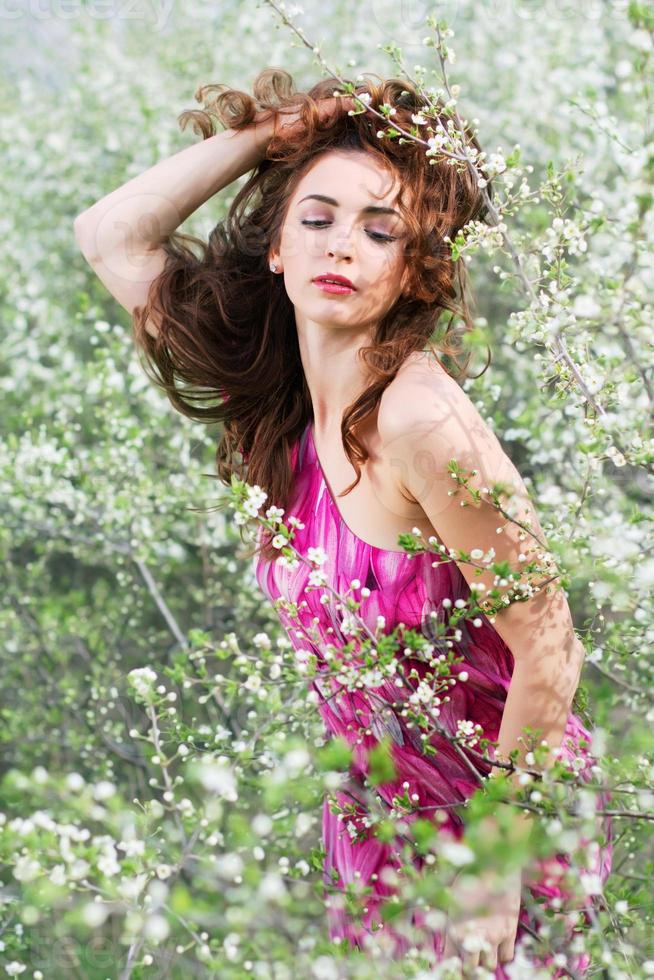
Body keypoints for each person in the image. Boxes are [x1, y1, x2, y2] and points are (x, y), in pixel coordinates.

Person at [73, 67, 612, 975]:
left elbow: (551, 642)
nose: (343, 248)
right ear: (278, 245)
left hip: (502, 823)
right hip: (376, 823)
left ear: (413, 266)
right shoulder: (277, 404)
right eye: (316, 218)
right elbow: (109, 234)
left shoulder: (418, 421)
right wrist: (279, 131)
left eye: (381, 228)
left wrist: (496, 865)